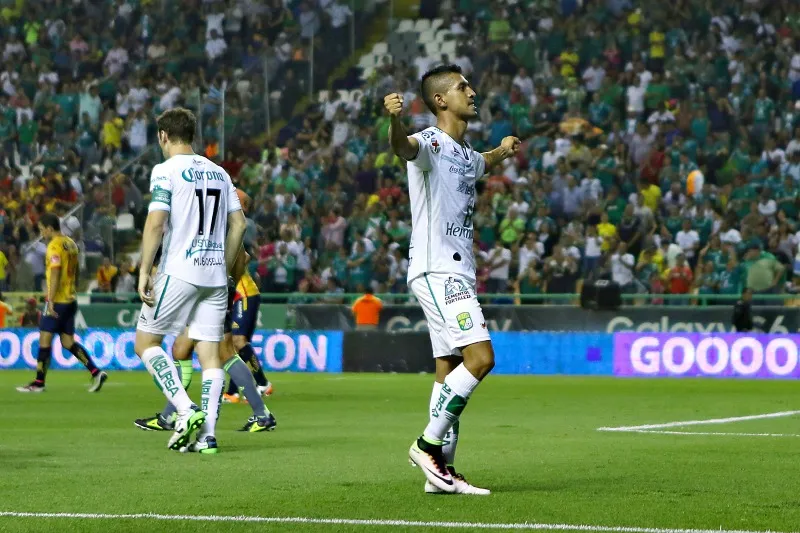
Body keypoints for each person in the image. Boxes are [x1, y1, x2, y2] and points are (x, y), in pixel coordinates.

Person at [385, 63, 520, 495]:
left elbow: (478, 163)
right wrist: (394, 119)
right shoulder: (429, 141)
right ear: (441, 100)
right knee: (480, 359)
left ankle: (439, 474)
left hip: (456, 268)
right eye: (464, 87)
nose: (473, 91)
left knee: (449, 368)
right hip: (438, 268)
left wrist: (501, 150)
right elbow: (403, 148)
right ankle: (427, 447)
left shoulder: (463, 152)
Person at [133, 107, 247, 454]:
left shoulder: (166, 170)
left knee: (145, 343)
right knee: (210, 356)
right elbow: (240, 225)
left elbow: (156, 223)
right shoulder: (219, 173)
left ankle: (185, 411)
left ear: (163, 136)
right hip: (214, 275)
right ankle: (208, 437)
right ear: (192, 135)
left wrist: (143, 270)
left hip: (180, 269)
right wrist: (224, 269)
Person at [134, 247, 276, 434]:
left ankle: (170, 416)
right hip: (212, 287)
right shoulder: (221, 224)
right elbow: (243, 254)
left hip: (203, 287)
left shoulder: (211, 225)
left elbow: (243, 255)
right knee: (199, 351)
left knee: (204, 352)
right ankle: (261, 414)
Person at [16, 214, 108, 393]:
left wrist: (49, 300)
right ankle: (96, 372)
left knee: (44, 340)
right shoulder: (71, 244)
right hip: (70, 299)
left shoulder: (54, 246)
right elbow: (77, 271)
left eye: (42, 229)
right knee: (67, 342)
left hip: (57, 302)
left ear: (50, 228)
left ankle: (38, 383)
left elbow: (56, 273)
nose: (41, 233)